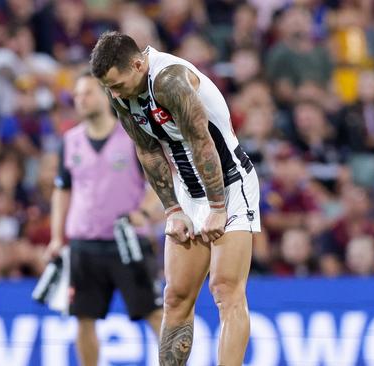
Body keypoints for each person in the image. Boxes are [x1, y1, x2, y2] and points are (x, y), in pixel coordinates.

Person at [91, 31, 261, 366]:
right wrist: (172, 210)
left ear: (139, 64)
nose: (113, 93)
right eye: (108, 87)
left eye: (116, 84)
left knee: (225, 291)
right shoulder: (121, 91)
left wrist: (216, 208)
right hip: (187, 191)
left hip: (229, 185)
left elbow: (201, 141)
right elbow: (148, 150)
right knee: (175, 297)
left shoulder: (170, 80)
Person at [45, 72, 163, 366]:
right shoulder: (70, 141)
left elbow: (161, 185)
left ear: (106, 95)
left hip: (127, 241)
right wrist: (57, 237)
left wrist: (144, 213)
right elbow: (62, 191)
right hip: (84, 243)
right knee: (83, 318)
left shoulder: (133, 136)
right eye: (77, 95)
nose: (81, 100)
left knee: (154, 313)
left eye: (87, 93)